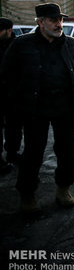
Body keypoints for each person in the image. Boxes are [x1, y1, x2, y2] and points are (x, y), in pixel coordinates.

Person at [0, 3, 74, 214]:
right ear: (40, 22)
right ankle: (27, 194)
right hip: (35, 109)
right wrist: (16, 100)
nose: (58, 24)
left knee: (67, 151)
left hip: (66, 107)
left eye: (60, 19)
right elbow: (7, 75)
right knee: (33, 152)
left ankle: (63, 188)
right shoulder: (22, 45)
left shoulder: (73, 45)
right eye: (53, 20)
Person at [0, 17, 18, 174]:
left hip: (13, 95)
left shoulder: (18, 46)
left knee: (14, 127)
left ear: (8, 31)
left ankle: (13, 154)